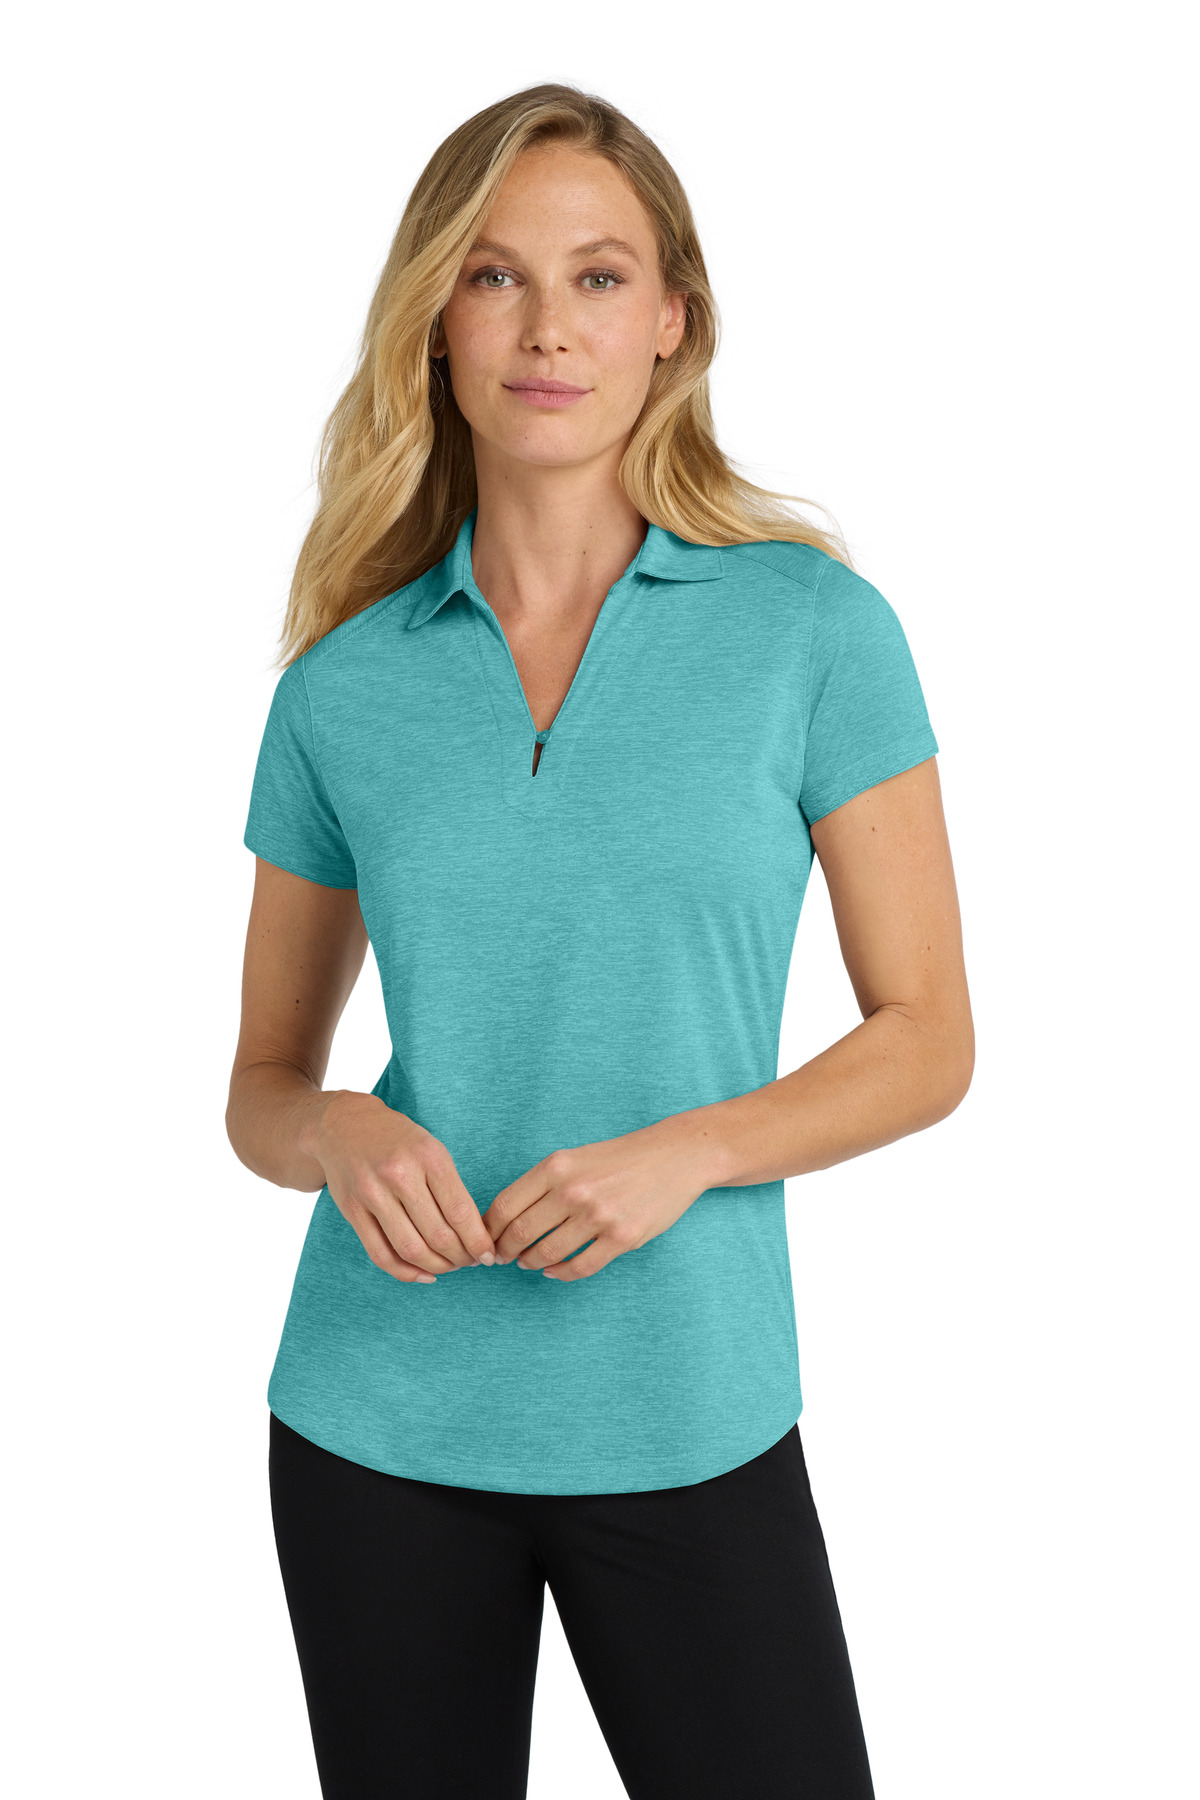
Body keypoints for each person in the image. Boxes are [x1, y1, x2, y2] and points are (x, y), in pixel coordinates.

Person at [226, 81, 974, 1800]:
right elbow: (261, 1084)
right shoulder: (344, 685)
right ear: (436, 322)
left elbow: (929, 1036)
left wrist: (689, 1152)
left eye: (599, 277)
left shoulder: (812, 632)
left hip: (687, 1408)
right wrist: (334, 1131)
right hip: (375, 1421)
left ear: (672, 323)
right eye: (494, 276)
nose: (547, 328)